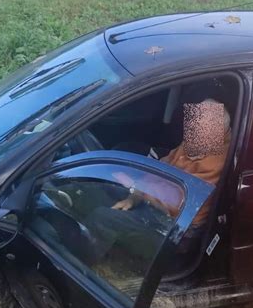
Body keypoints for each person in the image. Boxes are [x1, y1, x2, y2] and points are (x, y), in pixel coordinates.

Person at [88, 99, 231, 267]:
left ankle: (86, 272)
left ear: (216, 132)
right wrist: (135, 192)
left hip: (176, 227)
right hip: (156, 203)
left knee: (102, 217)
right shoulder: (199, 141)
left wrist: (138, 192)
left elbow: (179, 202)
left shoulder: (216, 162)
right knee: (101, 190)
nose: (191, 129)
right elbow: (163, 166)